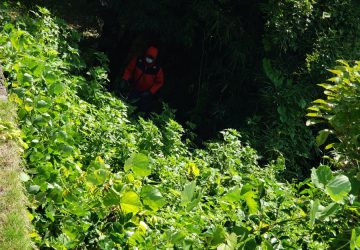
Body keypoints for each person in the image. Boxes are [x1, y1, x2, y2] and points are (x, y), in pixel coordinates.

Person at [122, 46, 164, 114]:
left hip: (146, 94)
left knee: (141, 110)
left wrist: (150, 91)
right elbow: (129, 70)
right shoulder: (138, 61)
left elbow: (159, 82)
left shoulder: (157, 69)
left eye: (151, 58)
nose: (149, 59)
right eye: (148, 56)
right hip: (134, 88)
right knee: (128, 105)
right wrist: (125, 79)